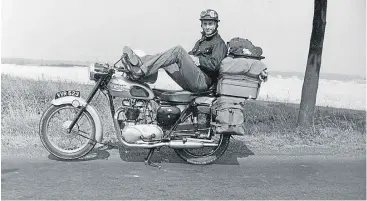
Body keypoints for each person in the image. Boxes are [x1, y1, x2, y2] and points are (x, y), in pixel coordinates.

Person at [122, 9, 228, 93]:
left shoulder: (219, 43)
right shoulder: (201, 41)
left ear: (216, 25)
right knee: (164, 58)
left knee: (178, 51)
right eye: (205, 24)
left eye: (210, 24)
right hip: (192, 78)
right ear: (202, 25)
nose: (207, 27)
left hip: (202, 81)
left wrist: (199, 60)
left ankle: (140, 71)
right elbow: (190, 56)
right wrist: (188, 58)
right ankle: (138, 65)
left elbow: (215, 65)